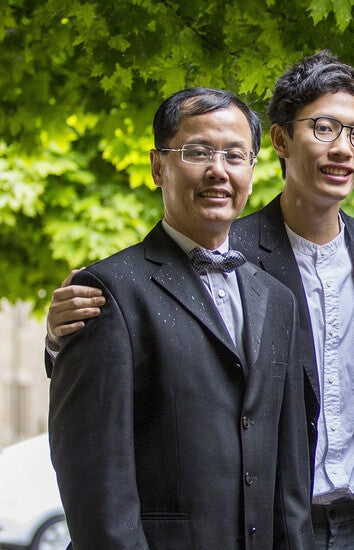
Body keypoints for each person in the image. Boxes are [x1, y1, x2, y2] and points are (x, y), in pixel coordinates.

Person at [46, 50, 354, 549]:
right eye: (324, 128)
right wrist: (57, 340)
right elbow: (98, 451)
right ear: (280, 141)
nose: (342, 148)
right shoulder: (221, 243)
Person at [47, 87, 311, 550]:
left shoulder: (277, 298)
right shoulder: (109, 290)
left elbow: (288, 476)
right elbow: (95, 486)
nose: (218, 170)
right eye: (198, 152)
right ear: (158, 167)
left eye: (235, 155)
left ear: (252, 171)